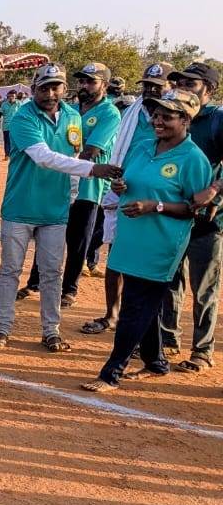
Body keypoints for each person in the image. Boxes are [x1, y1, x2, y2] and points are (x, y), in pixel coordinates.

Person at [0, 63, 121, 352]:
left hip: (56, 211)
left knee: (51, 273)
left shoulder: (72, 116)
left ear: (63, 88)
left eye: (56, 86)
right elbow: (43, 157)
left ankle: (51, 331)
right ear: (33, 88)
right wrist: (91, 169)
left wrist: (71, 196)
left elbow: (70, 156)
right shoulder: (23, 117)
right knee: (10, 271)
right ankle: (2, 327)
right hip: (20, 208)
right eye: (44, 87)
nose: (50, 93)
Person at [81, 90, 210, 392]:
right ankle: (156, 362)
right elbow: (130, 180)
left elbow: (194, 208)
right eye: (155, 114)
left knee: (134, 307)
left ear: (186, 120)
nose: (157, 121)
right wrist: (121, 185)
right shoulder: (142, 146)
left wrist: (156, 206)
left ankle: (111, 372)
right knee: (143, 305)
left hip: (161, 245)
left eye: (167, 116)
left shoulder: (193, 159)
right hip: (130, 238)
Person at [79, 63, 173, 336]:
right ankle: (112, 313)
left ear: (170, 88)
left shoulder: (171, 118)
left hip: (158, 198)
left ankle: (150, 326)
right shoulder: (133, 114)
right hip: (122, 191)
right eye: (146, 85)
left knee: (150, 265)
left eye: (157, 86)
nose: (150, 90)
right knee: (116, 257)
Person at [24, 63, 121, 308]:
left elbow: (89, 151)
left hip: (88, 187)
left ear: (105, 86)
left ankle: (69, 289)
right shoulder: (71, 110)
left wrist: (60, 158)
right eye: (82, 81)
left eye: (91, 81)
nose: (85, 86)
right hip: (58, 184)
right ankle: (35, 281)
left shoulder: (109, 113)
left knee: (78, 239)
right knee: (47, 231)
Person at [161, 62, 223, 373]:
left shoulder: (216, 120)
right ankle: (168, 339)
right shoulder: (173, 116)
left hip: (208, 220)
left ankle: (202, 350)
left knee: (204, 287)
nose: (183, 86)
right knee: (171, 280)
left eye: (192, 83)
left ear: (209, 90)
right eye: (181, 81)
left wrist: (214, 190)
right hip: (173, 214)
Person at [0, 90, 21, 157]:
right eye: (10, 96)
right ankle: (7, 154)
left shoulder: (19, 104)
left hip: (16, 125)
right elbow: (0, 113)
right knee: (7, 141)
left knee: (15, 141)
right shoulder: (4, 104)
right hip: (6, 125)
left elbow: (22, 113)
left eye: (13, 96)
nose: (11, 97)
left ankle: (14, 154)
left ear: (15, 96)